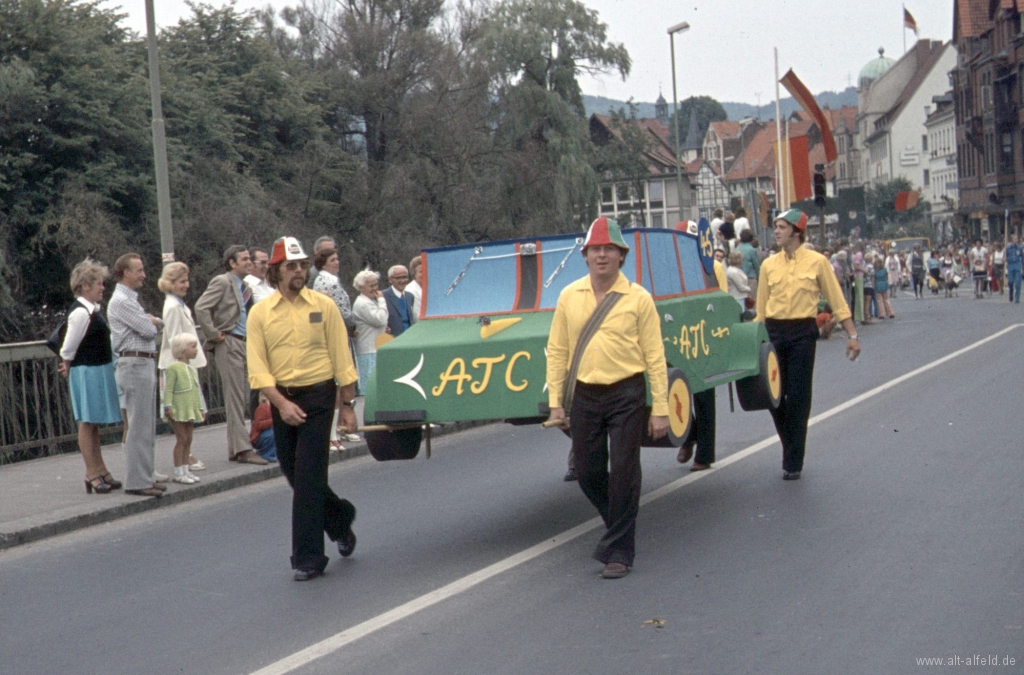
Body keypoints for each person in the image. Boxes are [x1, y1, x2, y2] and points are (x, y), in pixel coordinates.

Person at [546, 217, 669, 580]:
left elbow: (655, 357)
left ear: (621, 256)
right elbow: (557, 350)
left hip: (627, 392)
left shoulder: (639, 298)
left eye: (609, 250)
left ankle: (619, 551)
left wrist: (660, 409)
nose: (601, 256)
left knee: (625, 470)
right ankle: (617, 522)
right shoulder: (569, 296)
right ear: (585, 256)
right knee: (587, 470)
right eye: (595, 250)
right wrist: (557, 401)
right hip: (584, 394)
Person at [247, 236, 360, 581]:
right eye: (291, 266)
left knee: (310, 475)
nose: (299, 271)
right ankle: (339, 518)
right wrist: (280, 404)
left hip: (319, 394)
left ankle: (308, 558)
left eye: (302, 265)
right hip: (282, 397)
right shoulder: (261, 313)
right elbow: (257, 367)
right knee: (292, 471)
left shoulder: (323, 306)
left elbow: (342, 357)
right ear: (275, 272)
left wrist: (347, 406)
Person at [754, 209, 860, 480]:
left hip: (802, 332)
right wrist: (753, 339)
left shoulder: (817, 262)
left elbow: (836, 299)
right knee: (774, 396)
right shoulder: (768, 265)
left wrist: (852, 335)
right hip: (774, 333)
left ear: (796, 232)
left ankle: (792, 461)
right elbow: (761, 311)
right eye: (775, 226)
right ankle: (790, 444)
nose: (776, 231)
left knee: (799, 397)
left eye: (781, 227)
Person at [195, 245, 267, 465]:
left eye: (249, 259)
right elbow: (201, 307)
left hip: (245, 344)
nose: (249, 262)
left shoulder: (245, 286)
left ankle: (238, 446)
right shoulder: (223, 281)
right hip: (229, 342)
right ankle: (243, 449)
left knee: (243, 396)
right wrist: (214, 334)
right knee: (235, 398)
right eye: (244, 259)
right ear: (232, 263)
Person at [57, 258, 123, 494]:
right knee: (87, 421)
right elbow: (68, 346)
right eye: (98, 283)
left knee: (93, 422)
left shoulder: (92, 311)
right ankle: (91, 472)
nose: (102, 288)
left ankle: (101, 468)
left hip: (97, 368)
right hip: (87, 370)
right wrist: (67, 365)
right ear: (85, 286)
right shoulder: (81, 313)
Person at [107, 253, 165, 498]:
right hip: (134, 363)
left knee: (146, 423)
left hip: (143, 362)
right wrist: (151, 321)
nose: (143, 275)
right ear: (125, 273)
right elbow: (148, 329)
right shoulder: (121, 300)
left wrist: (150, 321)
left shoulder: (130, 300)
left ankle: (145, 475)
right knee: (139, 424)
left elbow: (148, 326)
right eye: (138, 270)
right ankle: (137, 480)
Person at [158, 262, 208, 472]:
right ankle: (183, 459)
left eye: (187, 281)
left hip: (185, 366)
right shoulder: (172, 306)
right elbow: (175, 339)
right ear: (170, 283)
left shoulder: (179, 304)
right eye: (181, 281)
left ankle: (186, 455)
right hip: (177, 367)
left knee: (189, 412)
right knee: (181, 413)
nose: (186, 285)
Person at [312, 247, 360, 445]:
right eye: (333, 260)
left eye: (337, 259)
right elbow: (341, 312)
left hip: (337, 333)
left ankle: (338, 431)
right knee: (337, 386)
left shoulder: (326, 281)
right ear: (323, 264)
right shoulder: (326, 282)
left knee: (340, 386)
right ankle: (332, 434)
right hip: (335, 336)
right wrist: (352, 326)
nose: (337, 262)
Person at [161, 333, 207, 484]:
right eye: (193, 347)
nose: (196, 350)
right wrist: (168, 406)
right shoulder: (173, 368)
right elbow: (169, 389)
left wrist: (200, 407)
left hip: (190, 407)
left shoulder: (192, 369)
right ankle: (178, 472)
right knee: (182, 439)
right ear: (182, 349)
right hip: (178, 408)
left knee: (189, 439)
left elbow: (196, 390)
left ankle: (186, 470)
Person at [351, 268, 389, 394]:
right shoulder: (362, 303)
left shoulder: (370, 300)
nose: (375, 288)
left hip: (375, 349)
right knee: (370, 391)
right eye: (371, 286)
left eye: (376, 285)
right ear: (361, 287)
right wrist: (382, 300)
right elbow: (380, 319)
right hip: (368, 352)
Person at [383, 265, 416, 337]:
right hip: (392, 341)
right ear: (390, 279)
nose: (402, 281)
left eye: (405, 277)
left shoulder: (410, 296)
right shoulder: (383, 296)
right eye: (398, 278)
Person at [250, 393, 278, 462]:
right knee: (273, 433)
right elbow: (258, 425)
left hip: (265, 434)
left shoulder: (272, 408)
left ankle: (273, 454)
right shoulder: (262, 408)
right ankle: (265, 454)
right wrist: (273, 421)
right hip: (258, 437)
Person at [736, 229, 760, 298]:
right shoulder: (751, 250)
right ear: (751, 238)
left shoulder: (737, 249)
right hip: (750, 278)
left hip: (738, 279)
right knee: (752, 302)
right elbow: (756, 266)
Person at [1005, 234, 1023, 303]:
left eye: (1016, 239)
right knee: (1010, 282)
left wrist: (1023, 266)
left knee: (1018, 282)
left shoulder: (1019, 248)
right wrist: (1005, 258)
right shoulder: (1008, 248)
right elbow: (1005, 256)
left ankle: (1017, 298)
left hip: (1017, 264)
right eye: (1014, 239)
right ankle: (1011, 294)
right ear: (1012, 240)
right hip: (1010, 265)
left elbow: (1022, 256)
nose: (1016, 240)